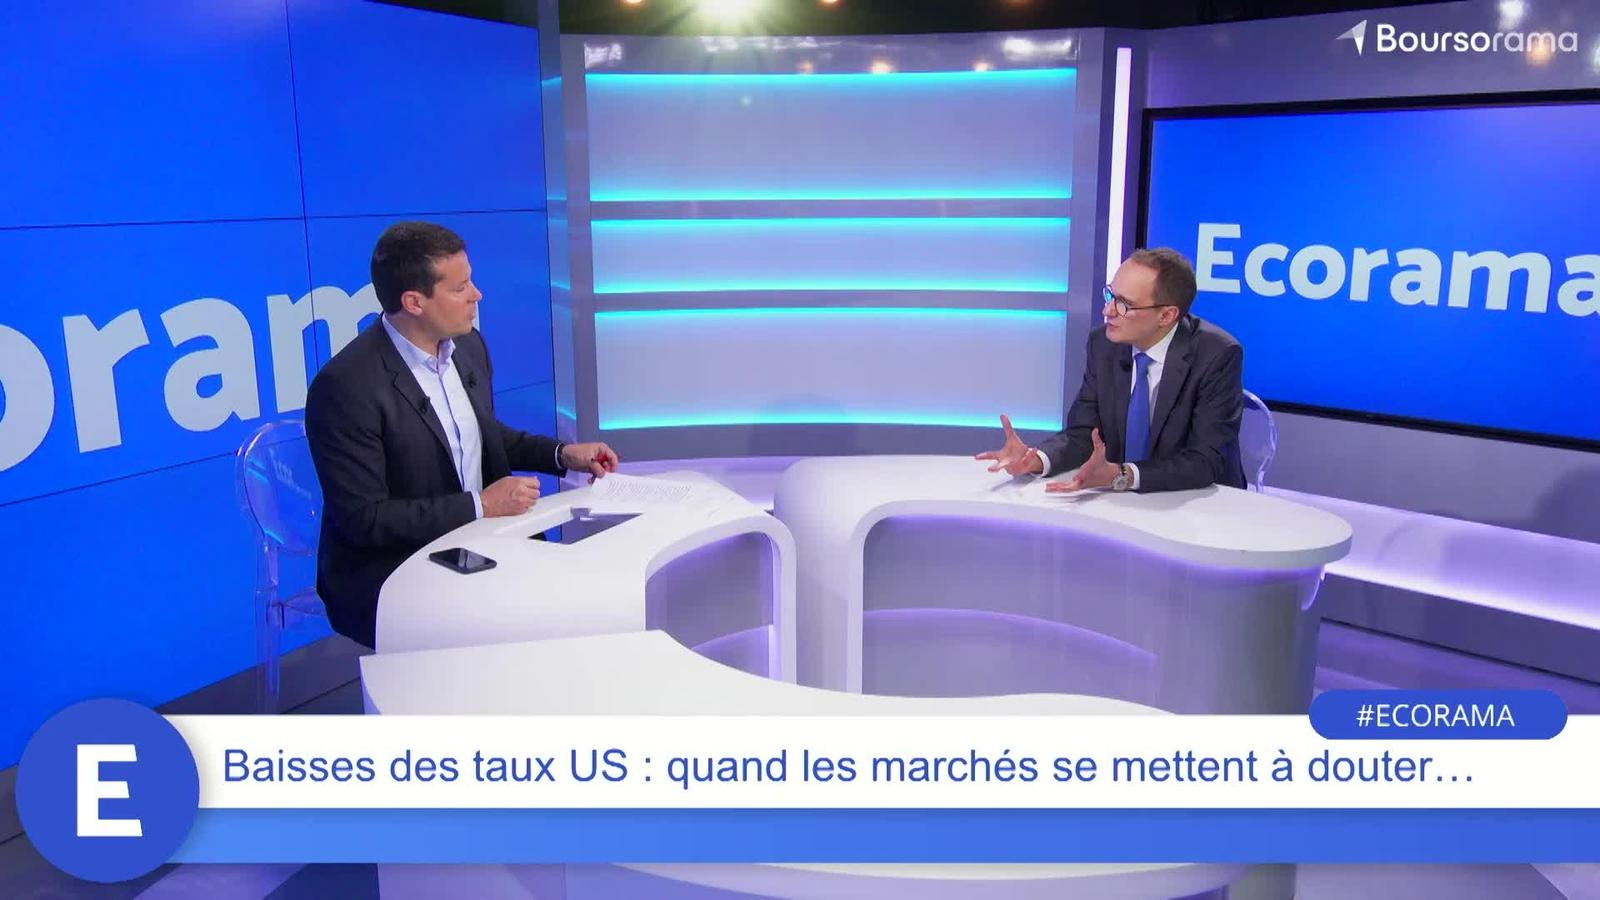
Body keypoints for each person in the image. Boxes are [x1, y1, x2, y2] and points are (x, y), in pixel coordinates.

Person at [306, 221, 618, 648]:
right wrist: (482, 505)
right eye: (460, 287)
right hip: (393, 564)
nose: (477, 295)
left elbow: (480, 436)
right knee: (507, 620)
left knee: (573, 597)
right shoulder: (346, 386)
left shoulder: (468, 348)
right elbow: (366, 520)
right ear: (414, 302)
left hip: (480, 540)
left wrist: (563, 454)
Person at [977, 247, 1245, 493]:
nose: (1107, 310)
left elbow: (1204, 461)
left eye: (1124, 304)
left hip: (1200, 503)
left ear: (1166, 316)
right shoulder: (1104, 344)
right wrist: (1035, 459)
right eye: (1110, 295)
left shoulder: (1216, 355)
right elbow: (1084, 434)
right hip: (1122, 502)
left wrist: (1122, 475)